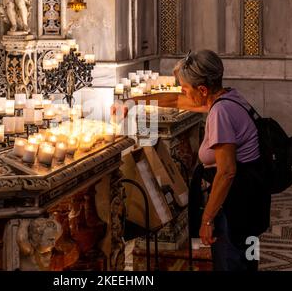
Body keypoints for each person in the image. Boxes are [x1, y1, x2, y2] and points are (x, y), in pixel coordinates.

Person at [112, 50, 271, 271]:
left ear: (203, 90)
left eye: (186, 87)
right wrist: (132, 101)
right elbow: (175, 100)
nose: (184, 92)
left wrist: (207, 220)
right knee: (247, 256)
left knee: (232, 261)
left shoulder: (220, 112)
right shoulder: (227, 97)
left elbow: (227, 172)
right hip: (250, 201)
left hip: (236, 206)